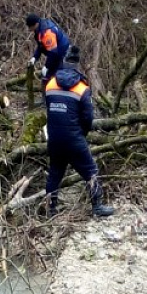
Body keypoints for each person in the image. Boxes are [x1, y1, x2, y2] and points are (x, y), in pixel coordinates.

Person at [44, 46, 114, 218]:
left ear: (63, 62)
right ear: (77, 65)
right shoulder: (82, 88)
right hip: (74, 138)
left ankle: (49, 210)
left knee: (54, 174)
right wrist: (81, 133)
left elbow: (48, 109)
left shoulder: (50, 84)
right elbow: (88, 118)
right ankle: (97, 207)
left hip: (54, 138)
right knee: (91, 170)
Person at [26, 13, 71, 84]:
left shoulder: (47, 33)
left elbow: (53, 52)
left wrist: (46, 66)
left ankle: (53, 92)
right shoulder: (39, 29)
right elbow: (41, 46)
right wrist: (35, 57)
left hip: (62, 54)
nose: (29, 29)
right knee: (47, 78)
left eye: (30, 27)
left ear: (36, 24)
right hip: (56, 53)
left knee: (56, 77)